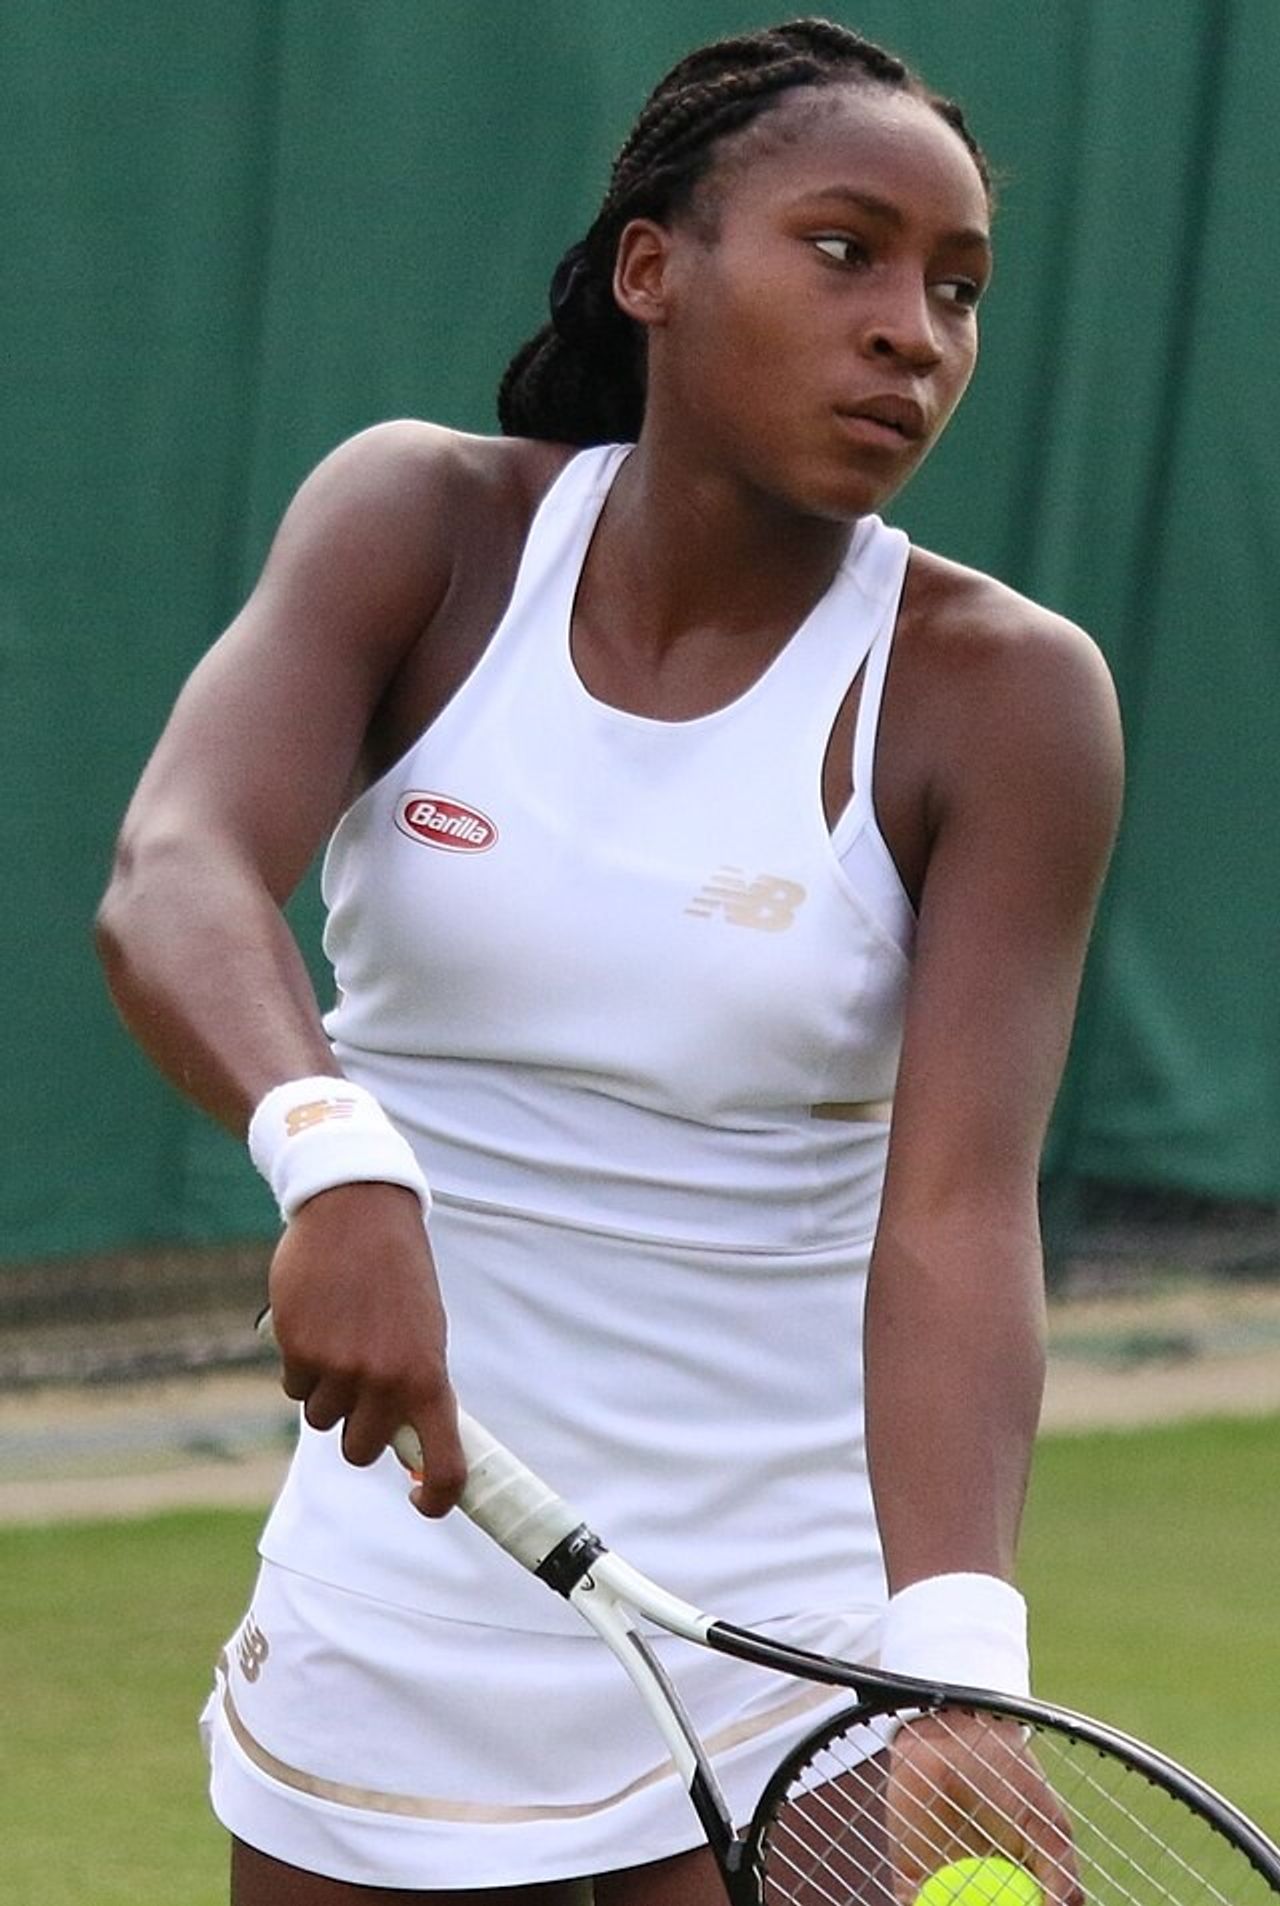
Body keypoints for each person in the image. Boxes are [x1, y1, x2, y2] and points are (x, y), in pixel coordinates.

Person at [96, 18, 1122, 1905]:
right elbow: (175, 871)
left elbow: (960, 1208)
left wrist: (960, 1661)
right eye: (847, 251)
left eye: (958, 288)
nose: (913, 331)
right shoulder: (422, 524)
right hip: (402, 1581)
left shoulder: (1007, 695)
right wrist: (336, 1157)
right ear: (654, 266)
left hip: (795, 1636)